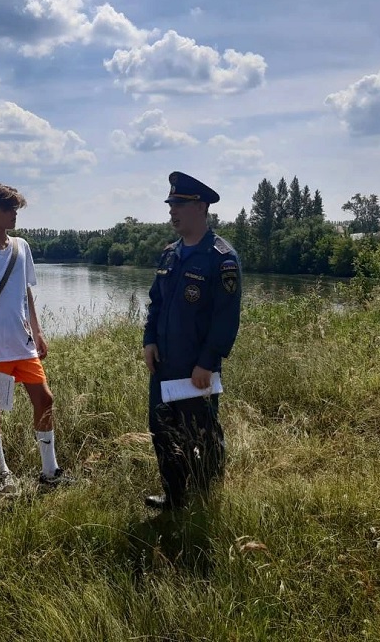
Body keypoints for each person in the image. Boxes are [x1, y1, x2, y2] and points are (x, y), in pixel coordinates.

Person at [142, 171, 242, 509]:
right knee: (162, 427)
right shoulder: (170, 254)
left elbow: (225, 318)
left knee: (202, 433)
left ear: (200, 206)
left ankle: (207, 494)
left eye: (180, 204)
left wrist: (207, 363)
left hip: (196, 367)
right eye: (171, 204)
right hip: (164, 363)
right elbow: (156, 302)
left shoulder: (221, 258)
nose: (172, 210)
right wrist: (149, 340)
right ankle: (174, 495)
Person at [0, 183, 68, 494]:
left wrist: (38, 331)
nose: (15, 213)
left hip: (23, 346)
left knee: (45, 400)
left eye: (16, 208)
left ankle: (50, 470)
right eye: (9, 209)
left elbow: (26, 292)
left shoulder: (21, 247)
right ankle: (1, 472)